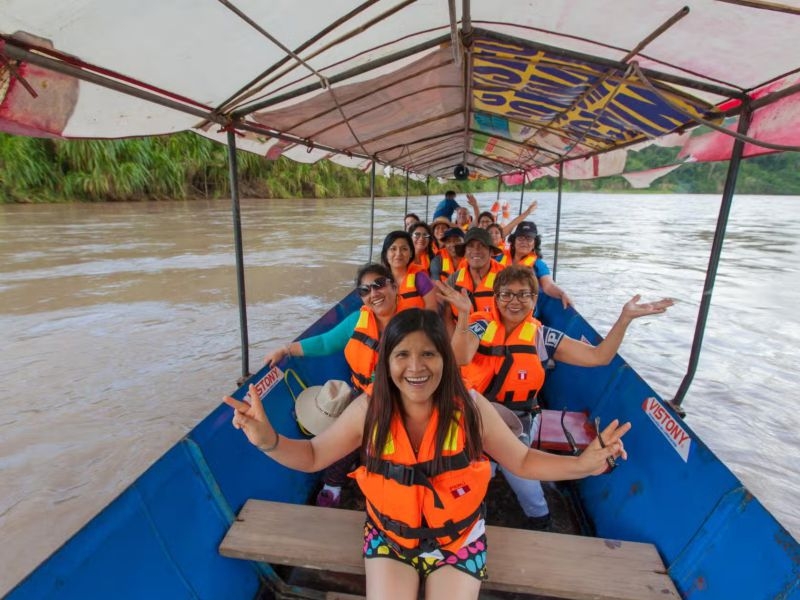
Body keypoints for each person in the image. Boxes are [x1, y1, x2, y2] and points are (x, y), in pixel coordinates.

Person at [225, 308, 630, 599]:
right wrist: (268, 441)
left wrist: (583, 464)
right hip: (390, 537)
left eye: (428, 354)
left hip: (459, 539)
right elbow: (313, 455)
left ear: (445, 360)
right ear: (387, 361)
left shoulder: (469, 406)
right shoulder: (369, 409)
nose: (415, 367)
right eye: (402, 354)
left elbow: (521, 460)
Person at [438, 266, 671, 530]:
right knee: (466, 477)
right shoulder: (480, 323)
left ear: (535, 300)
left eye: (523, 294)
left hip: (520, 419)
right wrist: (465, 313)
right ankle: (469, 519)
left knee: (524, 481)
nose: (514, 301)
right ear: (496, 298)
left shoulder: (543, 338)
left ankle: (541, 521)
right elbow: (460, 357)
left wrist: (624, 319)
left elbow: (599, 356)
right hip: (478, 416)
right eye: (506, 295)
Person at [263, 264, 402, 507]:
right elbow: (326, 343)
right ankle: (332, 485)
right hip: (363, 396)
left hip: (402, 398)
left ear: (393, 285)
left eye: (379, 284)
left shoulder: (413, 321)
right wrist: (286, 349)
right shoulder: (358, 320)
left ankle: (389, 487)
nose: (374, 293)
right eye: (365, 290)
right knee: (344, 437)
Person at [443, 228, 505, 336]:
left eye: (482, 245)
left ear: (491, 251)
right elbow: (447, 319)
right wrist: (455, 346)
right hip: (462, 339)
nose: (476, 250)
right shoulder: (453, 280)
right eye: (470, 246)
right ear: (465, 252)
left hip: (495, 343)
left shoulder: (505, 277)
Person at [508, 220, 572, 310]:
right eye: (520, 238)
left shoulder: (538, 265)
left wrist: (562, 294)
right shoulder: (499, 259)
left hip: (524, 309)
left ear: (534, 243)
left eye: (529, 239)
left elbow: (548, 286)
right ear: (513, 241)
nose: (524, 242)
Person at [381, 231, 437, 312]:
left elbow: (432, 309)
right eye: (393, 249)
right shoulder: (379, 280)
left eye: (404, 249)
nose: (398, 253)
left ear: (411, 253)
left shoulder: (420, 278)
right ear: (386, 254)